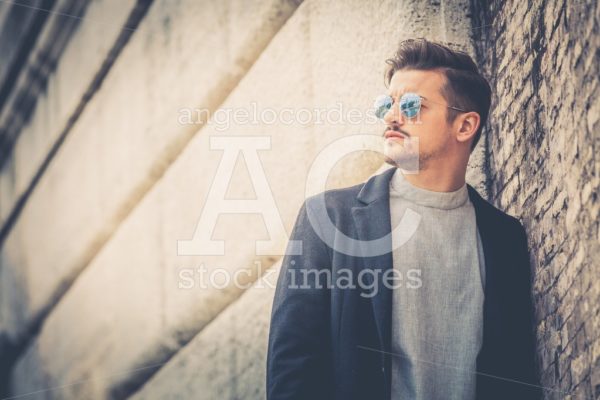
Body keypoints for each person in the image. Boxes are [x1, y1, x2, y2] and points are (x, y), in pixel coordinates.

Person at [266, 38, 542, 400]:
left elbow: (516, 373)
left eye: (412, 105)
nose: (392, 117)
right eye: (388, 103)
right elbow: (293, 366)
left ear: (464, 126)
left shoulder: (503, 237)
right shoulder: (330, 219)